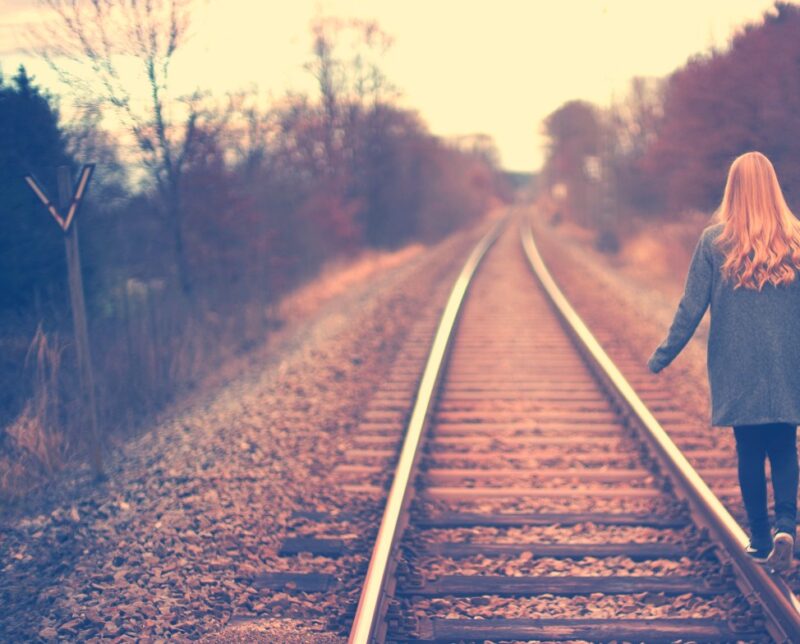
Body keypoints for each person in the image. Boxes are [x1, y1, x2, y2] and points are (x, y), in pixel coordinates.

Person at [647, 151, 800, 573]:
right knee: (785, 444)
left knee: (749, 448)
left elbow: (691, 307)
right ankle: (787, 523)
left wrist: (663, 356)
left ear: (733, 189)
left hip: (737, 365)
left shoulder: (714, 241)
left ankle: (760, 537)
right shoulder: (797, 240)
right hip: (788, 363)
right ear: (773, 188)